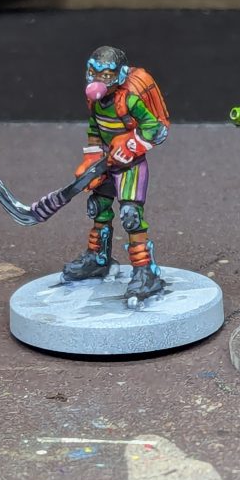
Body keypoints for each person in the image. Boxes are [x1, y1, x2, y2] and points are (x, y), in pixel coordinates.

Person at [62, 45, 169, 303]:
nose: (98, 80)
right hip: (106, 163)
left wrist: (130, 143)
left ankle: (145, 272)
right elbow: (94, 129)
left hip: (131, 165)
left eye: (106, 75)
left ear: (119, 75)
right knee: (98, 207)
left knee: (131, 216)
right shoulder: (95, 101)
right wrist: (91, 158)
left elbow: (155, 129)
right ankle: (98, 259)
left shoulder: (129, 100)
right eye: (93, 73)